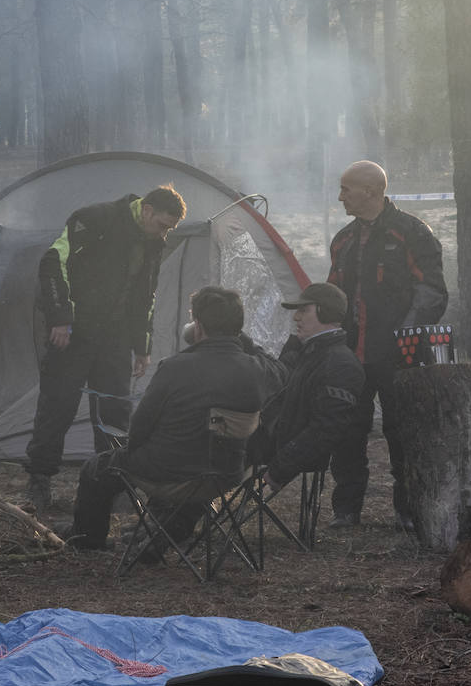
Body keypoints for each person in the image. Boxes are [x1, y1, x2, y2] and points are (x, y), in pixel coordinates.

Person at [65, 286, 285, 550]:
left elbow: (139, 430)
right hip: (225, 474)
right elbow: (280, 370)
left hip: (169, 473)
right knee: (193, 454)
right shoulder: (259, 370)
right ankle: (167, 531)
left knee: (96, 468)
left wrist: (133, 449)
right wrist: (238, 338)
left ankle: (87, 540)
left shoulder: (174, 368)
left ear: (198, 327)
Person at [22, 185, 187, 511]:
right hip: (73, 332)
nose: (164, 233)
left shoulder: (153, 240)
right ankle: (39, 480)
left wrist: (142, 345)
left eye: (170, 228)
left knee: (115, 411)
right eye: (163, 225)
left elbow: (146, 294)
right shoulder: (95, 219)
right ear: (148, 210)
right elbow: (53, 262)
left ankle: (113, 483)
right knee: (57, 407)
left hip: (114, 337)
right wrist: (59, 317)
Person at [327, 160, 447, 529]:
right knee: (347, 432)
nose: (340, 196)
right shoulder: (343, 239)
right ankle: (346, 510)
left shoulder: (412, 233)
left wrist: (403, 338)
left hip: (397, 355)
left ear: (371, 191)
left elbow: (431, 292)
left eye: (347, 188)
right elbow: (332, 297)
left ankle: (407, 510)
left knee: (402, 432)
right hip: (350, 356)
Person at [253, 283, 369, 510]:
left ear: (325, 312)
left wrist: (280, 468)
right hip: (268, 441)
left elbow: (326, 429)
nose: (296, 317)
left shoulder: (339, 364)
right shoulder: (310, 353)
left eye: (304, 310)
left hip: (274, 450)